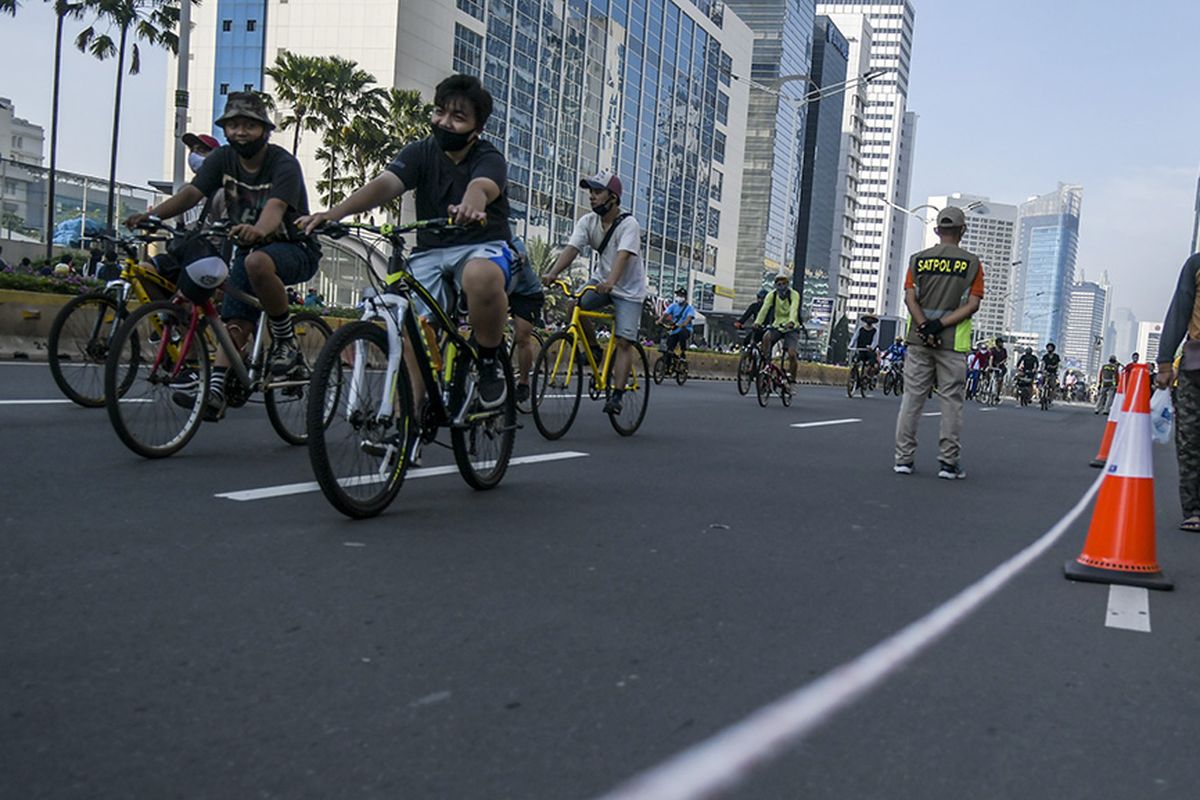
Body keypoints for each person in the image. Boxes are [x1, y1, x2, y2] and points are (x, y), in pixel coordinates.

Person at [300, 74, 515, 409]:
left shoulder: (489, 157)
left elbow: (482, 186)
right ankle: (410, 421)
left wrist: (473, 203)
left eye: (458, 118)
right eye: (439, 112)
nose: (444, 123)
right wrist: (335, 213)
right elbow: (386, 184)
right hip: (430, 250)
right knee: (408, 321)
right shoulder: (419, 152)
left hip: (481, 245)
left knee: (480, 277)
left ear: (477, 129)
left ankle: (488, 360)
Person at [127, 91, 322, 422]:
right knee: (234, 320)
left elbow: (275, 208)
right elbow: (192, 193)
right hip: (245, 250)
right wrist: (154, 216)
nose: (240, 132)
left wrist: (259, 230)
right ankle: (215, 389)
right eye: (233, 126)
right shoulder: (223, 159)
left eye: (248, 125)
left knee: (256, 261)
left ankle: (286, 342)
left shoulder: (282, 163)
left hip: (294, 248)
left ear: (264, 129)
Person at [541, 169, 646, 415]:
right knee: (573, 305)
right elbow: (572, 248)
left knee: (623, 341)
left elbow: (622, 256)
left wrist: (611, 281)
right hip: (601, 281)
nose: (592, 197)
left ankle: (617, 395)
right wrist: (552, 272)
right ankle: (594, 350)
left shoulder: (629, 224)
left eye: (598, 192)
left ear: (613, 197)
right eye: (591, 192)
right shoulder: (587, 222)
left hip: (628, 290)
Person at [893, 206, 984, 479]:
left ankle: (903, 460)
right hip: (951, 342)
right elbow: (972, 305)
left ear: (936, 230)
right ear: (962, 230)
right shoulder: (972, 263)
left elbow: (910, 299)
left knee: (912, 400)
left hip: (919, 341)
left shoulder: (918, 260)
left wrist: (924, 325)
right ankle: (947, 463)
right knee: (951, 403)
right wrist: (940, 325)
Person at [1154, 251, 1200, 532]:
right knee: (1191, 440)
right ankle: (1194, 509)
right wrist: (1164, 361)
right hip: (1196, 369)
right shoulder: (1196, 265)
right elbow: (1179, 311)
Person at [506, 242, 546, 406]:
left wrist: (518, 257)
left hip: (526, 294)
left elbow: (520, 254)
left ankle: (523, 383)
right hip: (499, 289)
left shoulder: (511, 240)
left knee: (522, 337)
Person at [755, 271, 801, 382]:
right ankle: (767, 365)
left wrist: (791, 322)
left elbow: (794, 309)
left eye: (784, 284)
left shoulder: (794, 295)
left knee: (791, 354)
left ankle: (792, 377)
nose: (781, 287)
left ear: (787, 284)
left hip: (791, 327)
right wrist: (758, 322)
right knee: (766, 338)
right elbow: (764, 309)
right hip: (777, 325)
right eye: (779, 284)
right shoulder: (772, 295)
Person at [180, 132, 225, 228]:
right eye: (192, 150)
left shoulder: (223, 192)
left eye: (201, 150)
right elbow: (179, 227)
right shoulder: (183, 190)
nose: (194, 155)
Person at [659, 287, 695, 361]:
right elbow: (666, 314)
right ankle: (667, 367)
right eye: (678, 295)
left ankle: (683, 352)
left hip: (685, 329)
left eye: (681, 296)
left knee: (682, 334)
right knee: (669, 348)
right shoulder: (673, 306)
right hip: (675, 330)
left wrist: (684, 324)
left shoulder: (689, 308)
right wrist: (660, 320)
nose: (679, 297)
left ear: (685, 297)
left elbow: (689, 317)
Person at [848, 313, 881, 379]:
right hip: (860, 350)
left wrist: (871, 347)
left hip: (869, 351)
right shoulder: (860, 329)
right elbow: (854, 337)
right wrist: (850, 346)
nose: (869, 320)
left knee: (871, 362)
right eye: (868, 319)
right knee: (855, 361)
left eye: (871, 319)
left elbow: (875, 341)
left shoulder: (875, 330)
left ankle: (866, 375)